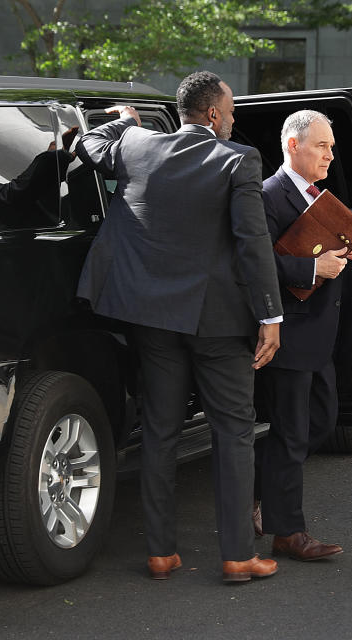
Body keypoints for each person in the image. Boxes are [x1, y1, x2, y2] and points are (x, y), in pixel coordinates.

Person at [75, 70, 284, 583]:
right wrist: (270, 315)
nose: (234, 120)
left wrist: (125, 124)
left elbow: (87, 142)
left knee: (161, 434)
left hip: (152, 319)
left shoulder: (138, 147)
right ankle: (237, 556)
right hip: (219, 323)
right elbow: (252, 242)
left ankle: (161, 553)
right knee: (234, 432)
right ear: (213, 114)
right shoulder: (239, 159)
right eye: (231, 111)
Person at [252, 110, 352, 561]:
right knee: (293, 432)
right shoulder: (266, 196)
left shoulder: (320, 197)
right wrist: (315, 266)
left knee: (320, 420)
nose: (331, 156)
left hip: (320, 335)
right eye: (323, 146)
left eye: (332, 147)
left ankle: (258, 492)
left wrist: (347, 254)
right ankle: (287, 532)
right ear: (293, 146)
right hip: (288, 334)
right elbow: (254, 263)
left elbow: (322, 246)